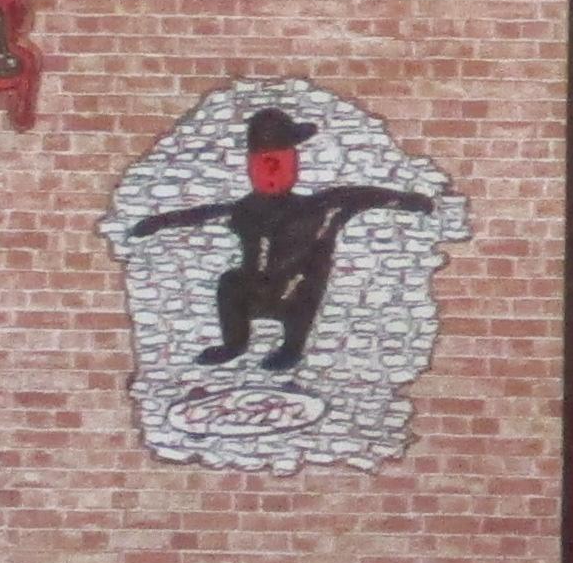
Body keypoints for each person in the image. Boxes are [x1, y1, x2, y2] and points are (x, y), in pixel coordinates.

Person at [126, 106, 430, 371]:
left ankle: (291, 348)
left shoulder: (319, 209)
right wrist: (157, 222)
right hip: (253, 291)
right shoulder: (244, 210)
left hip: (294, 292)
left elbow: (361, 196)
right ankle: (235, 343)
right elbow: (201, 214)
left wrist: (407, 200)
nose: (271, 170)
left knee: (304, 283)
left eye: (278, 161)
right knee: (230, 283)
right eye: (264, 162)